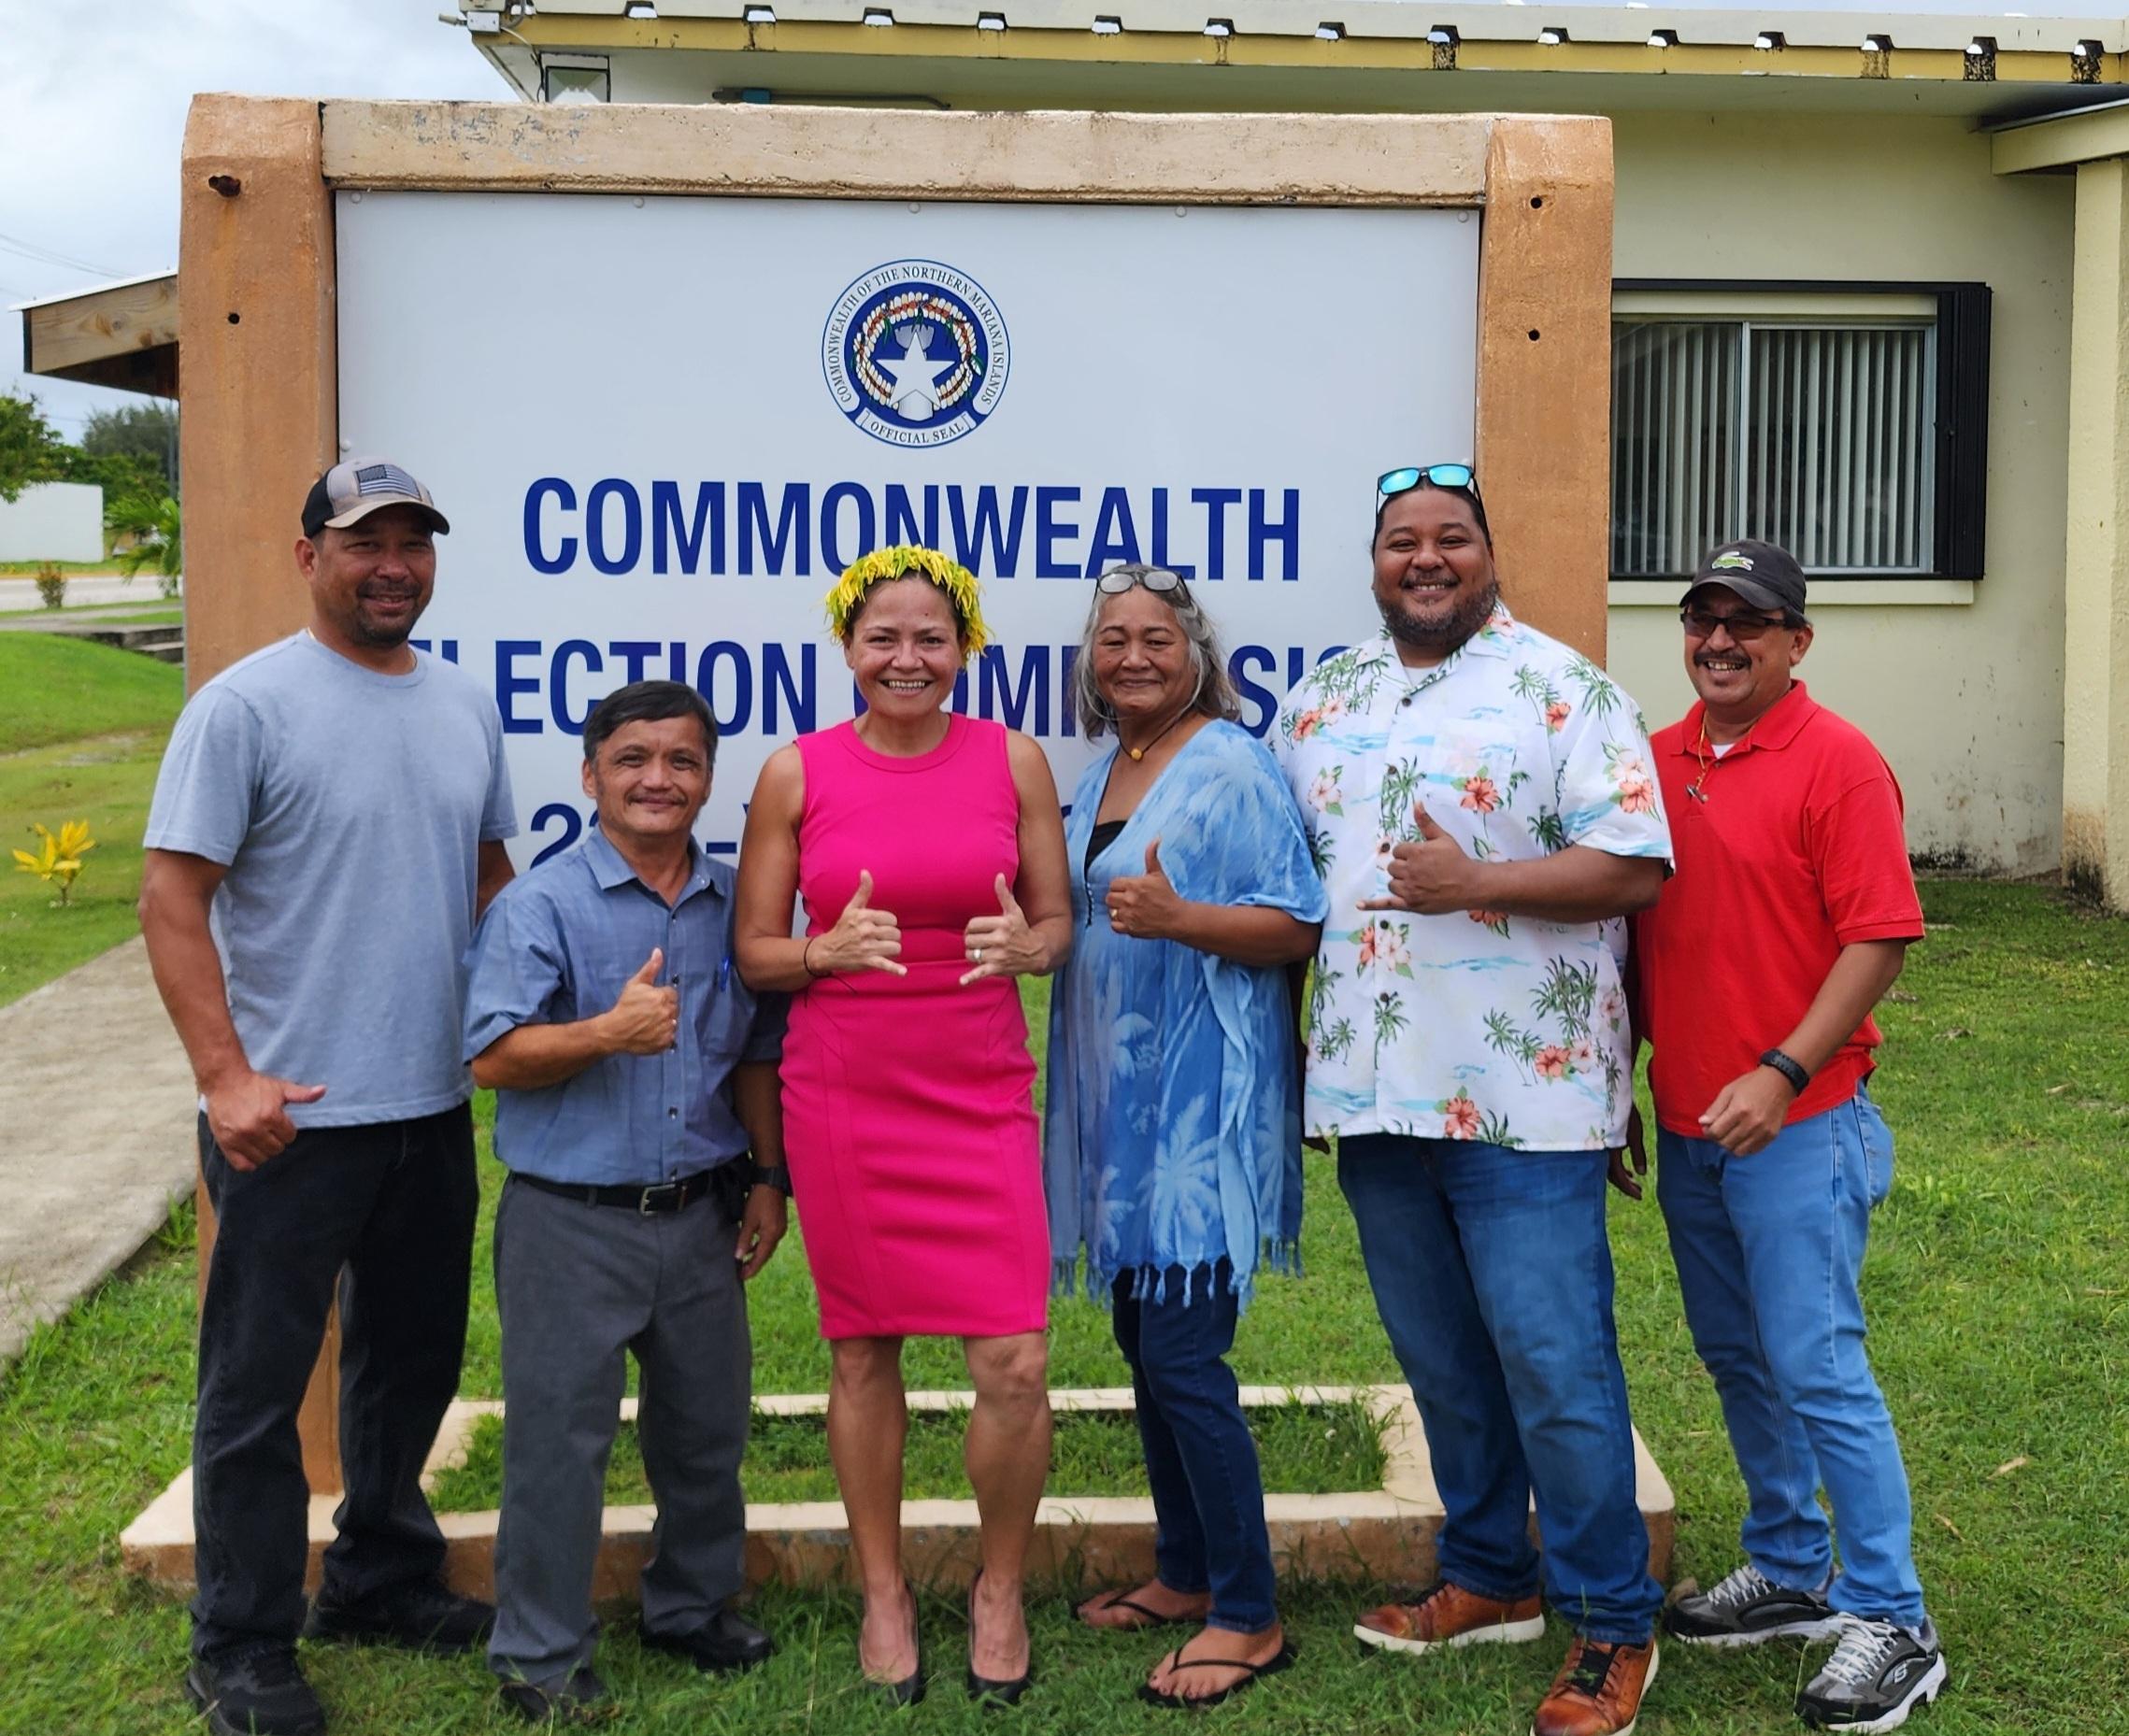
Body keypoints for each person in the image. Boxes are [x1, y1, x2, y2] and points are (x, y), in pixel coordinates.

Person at [1274, 464, 1673, 1736]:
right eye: (1402, 540)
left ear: (1488, 554)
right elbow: (1292, 891)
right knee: (1441, 1358)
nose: (1426, 558)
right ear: (1375, 560)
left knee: (1554, 1361)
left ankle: (1612, 1619)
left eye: (1451, 537)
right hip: (1375, 1095)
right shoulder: (1322, 700)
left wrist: (1477, 880)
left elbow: (1632, 866)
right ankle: (1491, 1575)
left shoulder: (1561, 688)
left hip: (1526, 1099)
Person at [139, 459, 516, 1736]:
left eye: (412, 541)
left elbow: (489, 878)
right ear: (310, 557)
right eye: (365, 542)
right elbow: (172, 898)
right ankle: (240, 1639)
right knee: (256, 1390)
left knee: (408, 1363)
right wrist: (224, 1077)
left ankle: (377, 1572)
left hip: (427, 1106)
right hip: (287, 1118)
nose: (393, 563)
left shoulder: (463, 704)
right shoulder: (247, 708)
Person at [734, 545, 1072, 1705]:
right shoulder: (795, 773)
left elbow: (1055, 919)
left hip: (978, 1087)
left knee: (1014, 1360)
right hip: (846, 1090)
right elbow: (754, 950)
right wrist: (820, 951)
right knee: (862, 1349)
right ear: (847, 649)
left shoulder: (1011, 759)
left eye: (931, 637)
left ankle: (999, 1585)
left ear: (964, 646)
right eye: (883, 638)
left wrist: (1033, 946)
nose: (907, 658)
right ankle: (883, 1588)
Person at [1621, 540, 1944, 1733]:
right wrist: (1627, 1092)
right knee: (1736, 1357)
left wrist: (1782, 1066)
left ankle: (1894, 1615)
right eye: (1702, 618)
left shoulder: (1839, 762)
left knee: (1816, 1365)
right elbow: (1640, 941)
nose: (1719, 639)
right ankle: (1792, 1563)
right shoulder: (1653, 763)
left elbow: (1879, 938)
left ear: (1794, 641)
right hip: (1690, 1123)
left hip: (1797, 1120)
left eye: (1746, 622)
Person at [463, 680, 791, 1722]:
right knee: (558, 1444)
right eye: (634, 758)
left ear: (708, 777)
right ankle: (539, 1652)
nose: (659, 778)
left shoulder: (738, 903)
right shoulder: (541, 905)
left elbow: (755, 1055)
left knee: (705, 1433)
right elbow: (494, 1057)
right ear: (590, 773)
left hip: (699, 1214)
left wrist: (769, 1180)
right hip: (571, 1221)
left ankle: (690, 1606)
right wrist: (605, 1032)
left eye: (683, 760)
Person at [1046, 565, 1326, 1708]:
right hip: (1116, 1107)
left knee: (1183, 1356)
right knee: (1141, 1343)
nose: (1133, 656)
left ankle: (1248, 1612)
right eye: (1112, 639)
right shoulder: (1100, 770)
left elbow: (1296, 924)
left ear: (1196, 653)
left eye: (1156, 638)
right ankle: (1182, 1568)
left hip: (1201, 1107)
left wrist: (1183, 920)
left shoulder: (1232, 762)